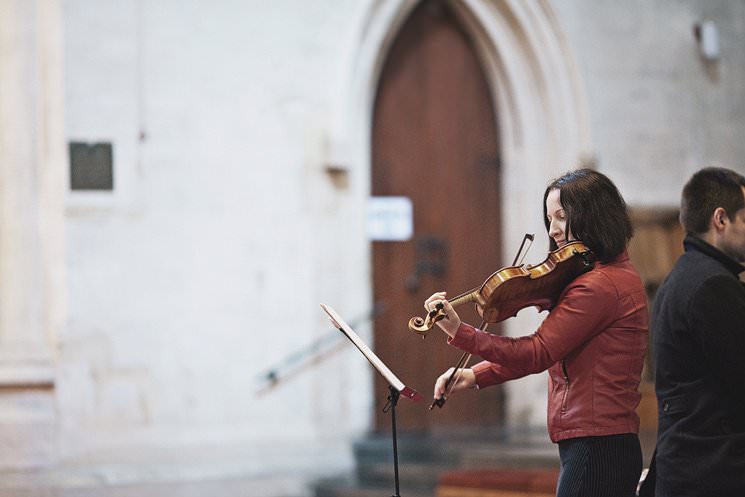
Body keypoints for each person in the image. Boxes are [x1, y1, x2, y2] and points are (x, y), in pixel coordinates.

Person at [425, 168, 648, 497]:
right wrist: (476, 376)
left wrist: (461, 332)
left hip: (597, 447)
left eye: (562, 216)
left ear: (594, 215)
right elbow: (550, 352)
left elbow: (537, 352)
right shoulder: (605, 277)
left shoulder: (600, 286)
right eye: (549, 219)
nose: (554, 230)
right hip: (599, 443)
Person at [646, 167, 745, 497]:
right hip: (714, 472)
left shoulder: (681, 277)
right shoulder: (712, 284)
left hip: (688, 468)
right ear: (721, 220)